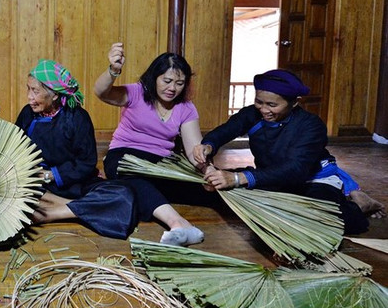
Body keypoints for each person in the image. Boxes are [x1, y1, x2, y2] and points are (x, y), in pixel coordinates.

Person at [19, 59, 205, 243]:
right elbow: (16, 147)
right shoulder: (28, 114)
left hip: (71, 183)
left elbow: (86, 163)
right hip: (36, 183)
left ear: (55, 95)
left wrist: (51, 175)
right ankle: (75, 206)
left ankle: (54, 211)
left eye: (35, 91)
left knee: (124, 195)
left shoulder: (77, 118)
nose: (29, 97)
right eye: (29, 89)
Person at [193, 69, 373, 235]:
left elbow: (295, 169)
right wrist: (208, 145)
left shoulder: (311, 125)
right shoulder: (252, 114)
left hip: (312, 180)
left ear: (294, 103)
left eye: (272, 105)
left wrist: (238, 178)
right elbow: (227, 130)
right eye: (259, 102)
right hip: (272, 177)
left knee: (323, 220)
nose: (264, 110)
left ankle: (360, 203)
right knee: (204, 189)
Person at [94, 43, 208, 245]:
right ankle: (178, 223)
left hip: (161, 164)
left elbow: (193, 150)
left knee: (201, 189)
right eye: (167, 80)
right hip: (124, 157)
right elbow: (102, 92)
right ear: (155, 77)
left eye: (180, 83)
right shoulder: (137, 93)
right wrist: (113, 70)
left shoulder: (186, 108)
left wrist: (209, 171)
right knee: (133, 180)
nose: (172, 88)